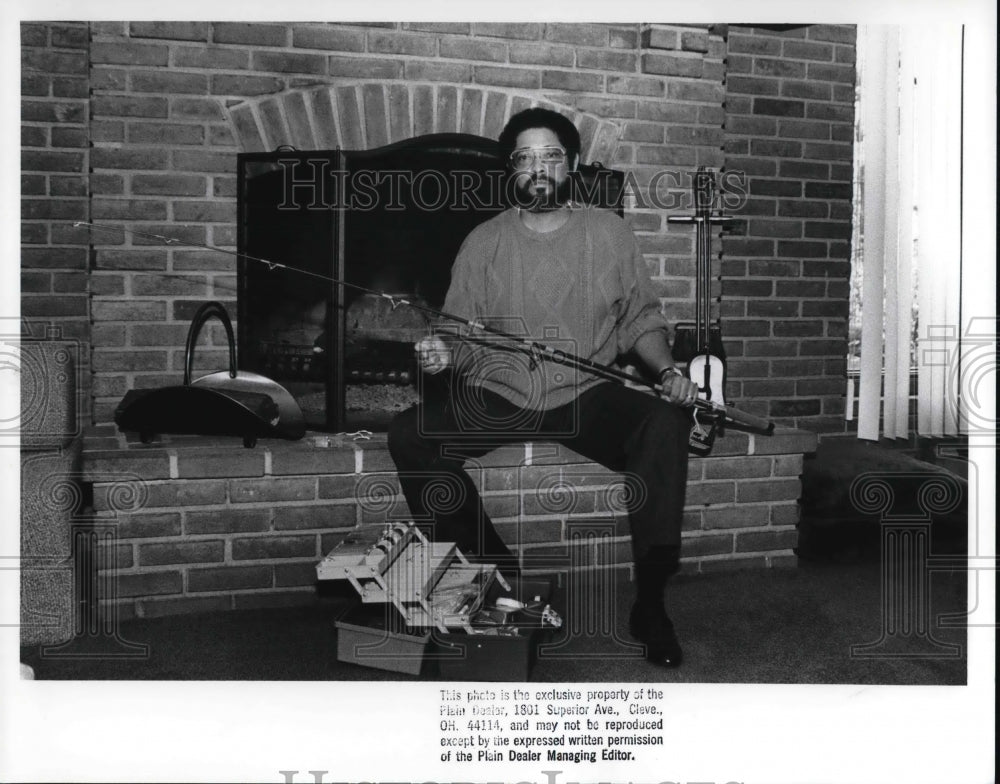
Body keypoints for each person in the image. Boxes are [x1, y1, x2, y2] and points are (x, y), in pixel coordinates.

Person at [387, 108, 699, 668]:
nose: (538, 168)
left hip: (588, 393)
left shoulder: (610, 233)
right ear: (512, 170)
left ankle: (651, 604)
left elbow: (641, 321)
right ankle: (498, 569)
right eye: (525, 158)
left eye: (550, 156)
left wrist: (669, 372)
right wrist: (440, 353)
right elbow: (456, 328)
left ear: (572, 164)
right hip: (502, 392)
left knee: (663, 423)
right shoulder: (484, 241)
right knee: (411, 433)